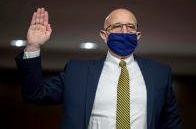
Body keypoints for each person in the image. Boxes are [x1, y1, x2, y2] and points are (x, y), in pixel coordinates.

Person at [15, 7, 181, 129]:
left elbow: (172, 123)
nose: (124, 31)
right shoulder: (77, 72)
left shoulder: (159, 73)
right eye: (116, 26)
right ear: (104, 35)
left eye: (130, 27)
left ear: (137, 35)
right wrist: (33, 46)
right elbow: (34, 94)